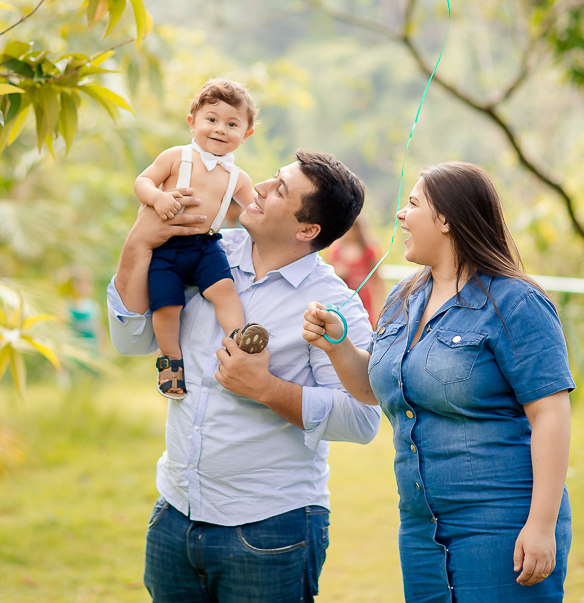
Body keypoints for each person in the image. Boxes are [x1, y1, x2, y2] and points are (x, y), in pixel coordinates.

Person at [108, 150, 382, 603]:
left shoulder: (333, 304)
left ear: (307, 230)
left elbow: (363, 419)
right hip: (174, 513)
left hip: (271, 527)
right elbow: (131, 340)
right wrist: (137, 244)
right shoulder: (202, 247)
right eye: (273, 177)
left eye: (280, 190)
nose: (259, 187)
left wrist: (267, 389)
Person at [303, 162, 574, 602]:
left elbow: (550, 413)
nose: (400, 214)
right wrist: (337, 344)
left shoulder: (517, 302)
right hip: (420, 530)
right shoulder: (404, 296)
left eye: (412, 204)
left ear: (446, 219)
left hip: (502, 523)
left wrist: (541, 526)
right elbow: (377, 389)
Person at [134, 79, 265, 399]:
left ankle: (238, 342)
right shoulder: (175, 157)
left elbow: (256, 209)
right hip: (166, 247)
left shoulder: (237, 177)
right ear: (192, 122)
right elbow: (143, 181)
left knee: (225, 291)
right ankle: (170, 361)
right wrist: (157, 198)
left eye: (232, 124)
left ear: (246, 135)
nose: (220, 129)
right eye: (212, 119)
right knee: (167, 306)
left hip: (206, 246)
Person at [326, 216, 386, 326]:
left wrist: (379, 308)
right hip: (343, 303)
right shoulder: (335, 251)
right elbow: (327, 279)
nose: (351, 230)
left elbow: (377, 280)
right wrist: (338, 273)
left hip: (365, 303)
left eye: (354, 227)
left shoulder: (368, 250)